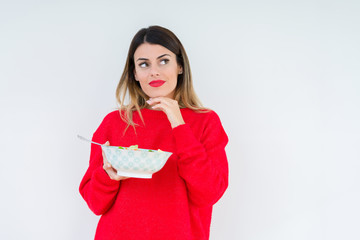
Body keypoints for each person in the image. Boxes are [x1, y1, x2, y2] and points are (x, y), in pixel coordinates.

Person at [79, 25, 229, 240]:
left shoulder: (206, 121)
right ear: (135, 73)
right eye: (144, 64)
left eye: (164, 60)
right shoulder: (114, 122)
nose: (154, 71)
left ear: (180, 66)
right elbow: (95, 204)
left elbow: (209, 193)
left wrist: (179, 124)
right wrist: (109, 177)